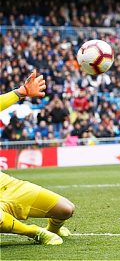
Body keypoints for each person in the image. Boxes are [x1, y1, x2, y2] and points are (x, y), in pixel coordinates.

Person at [0, 70, 75, 245]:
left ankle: (52, 229)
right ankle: (35, 232)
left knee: (66, 209)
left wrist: (21, 92)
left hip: (4, 184)